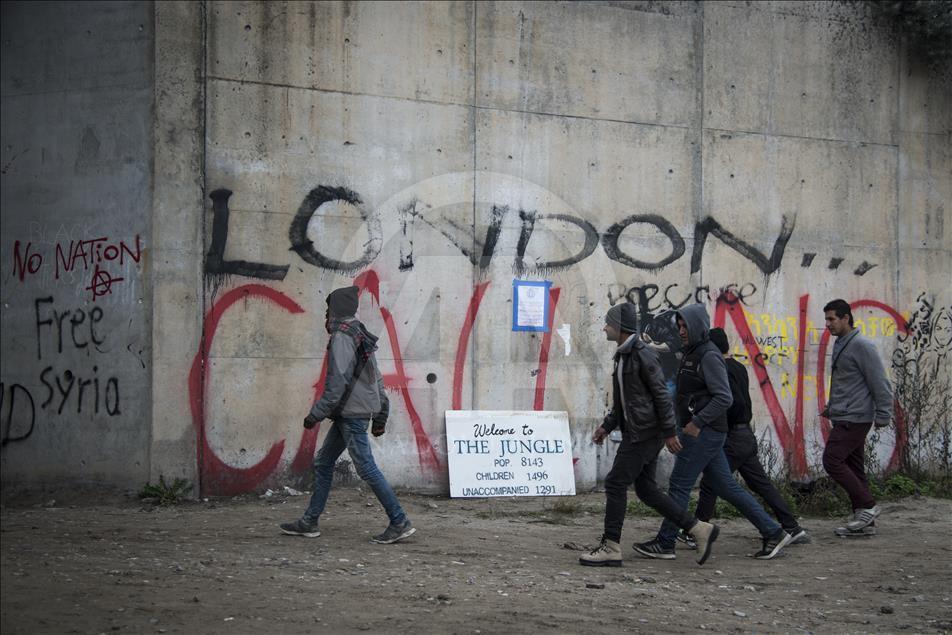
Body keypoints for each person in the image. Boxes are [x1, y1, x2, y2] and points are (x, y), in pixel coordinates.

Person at [633, 304, 793, 561]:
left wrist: (696, 423)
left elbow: (724, 397)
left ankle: (666, 542)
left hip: (704, 432)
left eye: (685, 326)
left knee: (679, 484)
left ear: (698, 326)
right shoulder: (691, 353)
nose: (681, 331)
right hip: (702, 431)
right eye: (680, 326)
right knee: (726, 486)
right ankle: (773, 531)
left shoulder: (709, 355)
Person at [580, 302, 719, 567]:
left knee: (615, 483)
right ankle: (698, 528)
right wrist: (607, 426)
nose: (604, 327)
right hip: (642, 431)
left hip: (643, 434)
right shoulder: (624, 354)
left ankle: (610, 546)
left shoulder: (642, 355)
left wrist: (668, 432)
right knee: (645, 490)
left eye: (608, 323)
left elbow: (662, 397)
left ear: (619, 327)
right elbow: (626, 401)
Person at [280, 286, 416, 544]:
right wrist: (380, 414)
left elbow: (337, 381)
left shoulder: (344, 336)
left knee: (366, 468)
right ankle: (309, 522)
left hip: (351, 413)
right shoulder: (359, 332)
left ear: (336, 309)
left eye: (328, 308)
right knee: (323, 463)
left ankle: (399, 521)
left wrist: (316, 414)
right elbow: (375, 378)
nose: (326, 313)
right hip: (351, 412)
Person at [689, 328, 809, 545]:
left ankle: (697, 530)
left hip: (733, 436)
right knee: (761, 484)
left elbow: (732, 402)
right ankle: (792, 526)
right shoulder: (738, 367)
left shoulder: (721, 369)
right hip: (745, 435)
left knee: (711, 482)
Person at [821, 299, 893, 536]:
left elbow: (879, 382)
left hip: (856, 417)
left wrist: (884, 413)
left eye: (832, 319)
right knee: (855, 468)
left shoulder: (862, 345)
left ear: (846, 318)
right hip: (845, 414)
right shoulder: (843, 343)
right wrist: (832, 407)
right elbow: (847, 382)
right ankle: (864, 524)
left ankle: (869, 507)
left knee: (832, 460)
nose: (828, 324)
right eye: (827, 319)